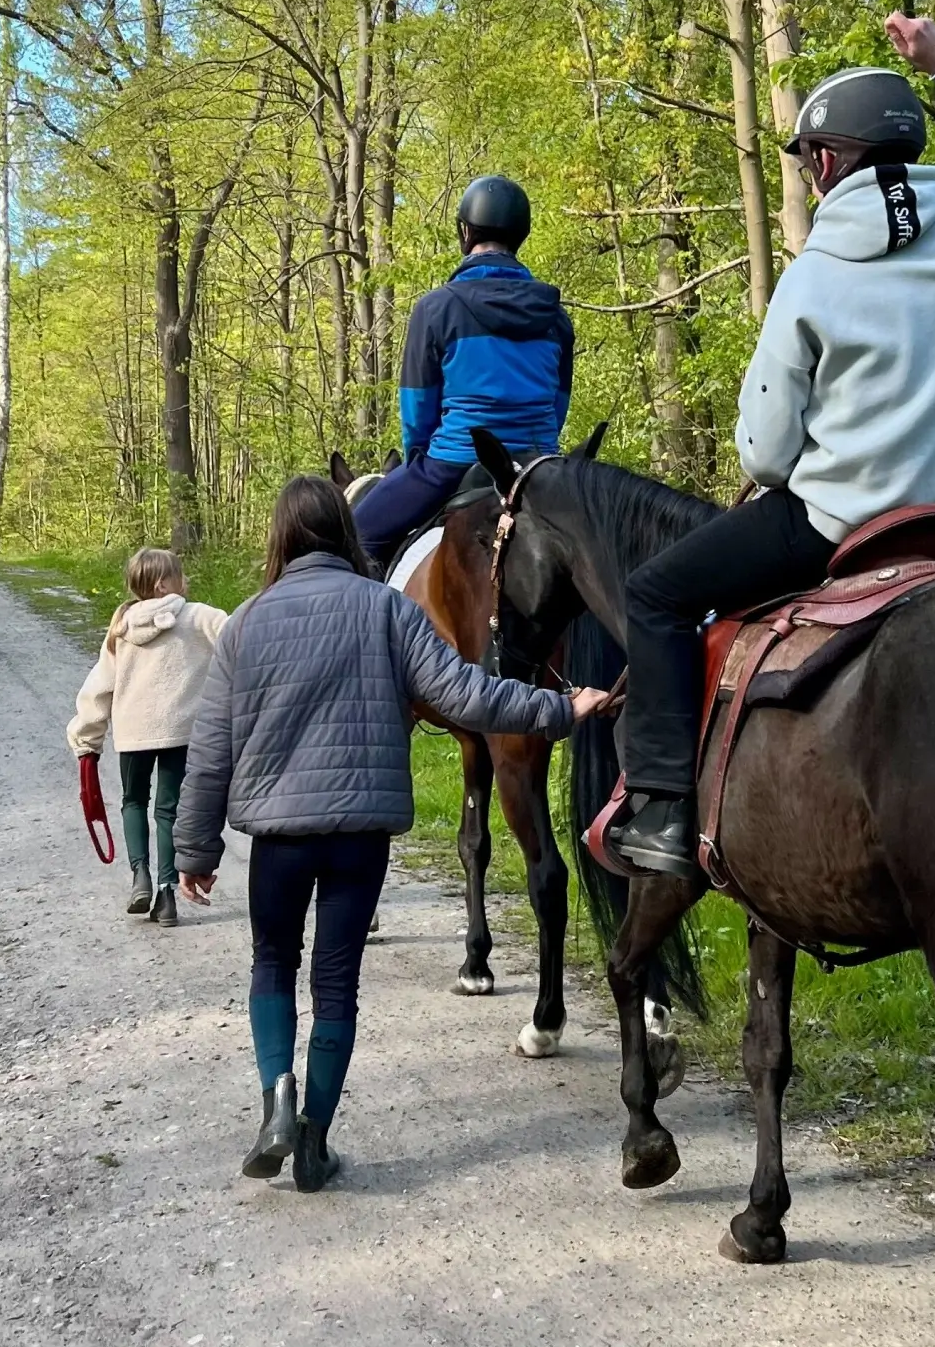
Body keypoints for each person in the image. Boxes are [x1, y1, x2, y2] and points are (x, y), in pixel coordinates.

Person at [612, 12, 935, 880]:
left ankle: (663, 813)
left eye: (808, 160)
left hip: (836, 530)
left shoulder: (814, 274)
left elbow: (763, 455)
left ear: (827, 163)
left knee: (657, 594)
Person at [171, 474, 614, 1193]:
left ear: (279, 538)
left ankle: (276, 1096)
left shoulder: (246, 622)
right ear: (346, 535)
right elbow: (469, 694)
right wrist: (564, 707)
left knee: (272, 963)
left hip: (278, 838)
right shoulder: (386, 611)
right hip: (360, 831)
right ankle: (314, 1138)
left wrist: (195, 847)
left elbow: (211, 748)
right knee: (337, 982)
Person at [353, 175, 573, 568]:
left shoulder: (436, 309)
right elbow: (558, 406)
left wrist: (419, 463)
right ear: (520, 235)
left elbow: (417, 409)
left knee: (354, 535)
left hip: (454, 462)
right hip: (541, 465)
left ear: (466, 232)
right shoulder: (555, 317)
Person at [68, 548, 229, 928]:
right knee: (168, 810)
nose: (185, 581)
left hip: (133, 734)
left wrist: (86, 739)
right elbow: (240, 634)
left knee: (133, 802)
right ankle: (168, 892)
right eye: (180, 575)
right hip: (179, 733)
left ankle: (139, 875)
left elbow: (100, 686)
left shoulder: (121, 626)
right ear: (162, 584)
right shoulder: (196, 616)